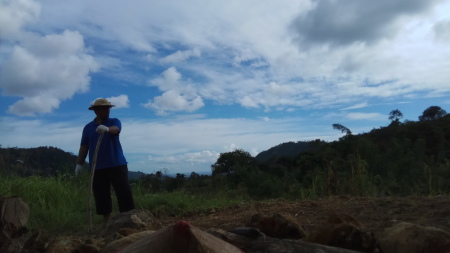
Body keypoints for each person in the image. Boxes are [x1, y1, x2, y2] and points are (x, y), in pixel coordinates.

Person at [75, 98, 135, 225]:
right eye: (103, 108)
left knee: (123, 191)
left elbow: (116, 129)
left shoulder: (114, 121)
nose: (107, 110)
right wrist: (79, 163)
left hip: (117, 163)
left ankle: (128, 219)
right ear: (96, 111)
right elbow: (84, 146)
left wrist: (107, 129)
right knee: (101, 194)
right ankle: (107, 222)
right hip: (97, 166)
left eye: (108, 108)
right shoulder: (88, 128)